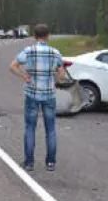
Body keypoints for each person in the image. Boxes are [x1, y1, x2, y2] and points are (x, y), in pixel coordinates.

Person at [8, 24, 66, 172]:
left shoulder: (28, 51)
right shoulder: (55, 53)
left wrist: (24, 75)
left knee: (30, 128)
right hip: (49, 95)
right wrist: (56, 78)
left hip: (32, 94)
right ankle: (50, 162)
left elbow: (12, 66)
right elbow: (61, 75)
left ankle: (29, 162)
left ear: (35, 36)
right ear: (48, 36)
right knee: (50, 129)